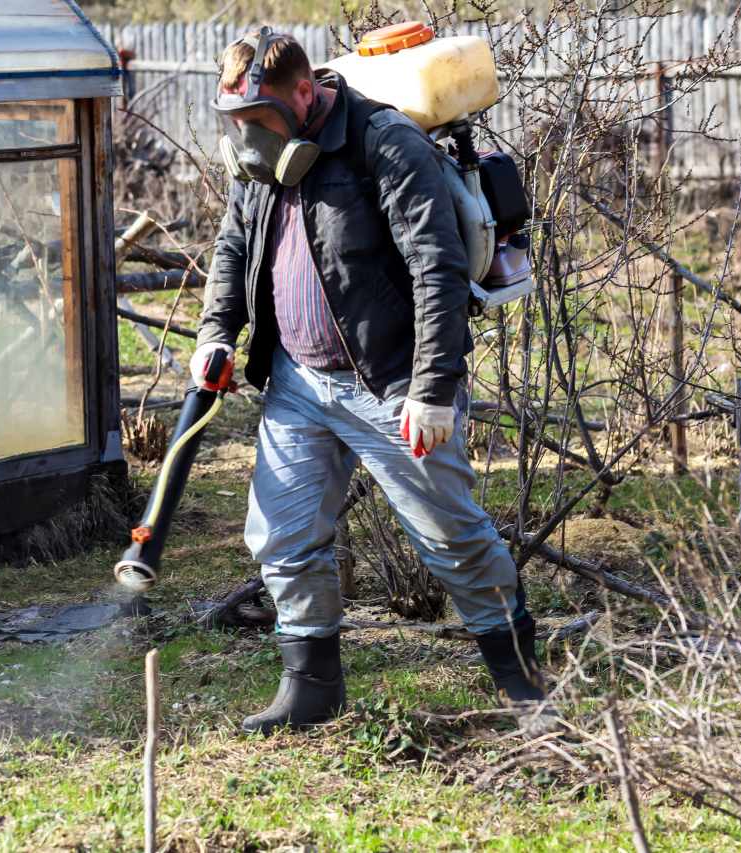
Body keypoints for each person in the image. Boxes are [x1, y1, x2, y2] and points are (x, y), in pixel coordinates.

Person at [195, 27, 559, 737]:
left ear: (305, 93)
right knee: (282, 535)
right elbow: (235, 243)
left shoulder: (384, 143)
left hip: (389, 380)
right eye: (236, 123)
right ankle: (311, 690)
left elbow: (436, 265)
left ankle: (522, 684)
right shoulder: (261, 162)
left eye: (259, 120)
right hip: (299, 381)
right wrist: (216, 332)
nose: (248, 137)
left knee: (450, 537)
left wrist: (431, 389)